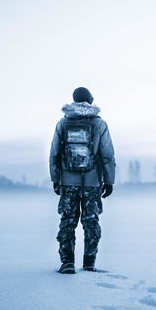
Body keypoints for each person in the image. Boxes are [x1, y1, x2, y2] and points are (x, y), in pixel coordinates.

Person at [49, 87, 116, 274]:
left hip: (68, 181)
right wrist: (109, 180)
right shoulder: (99, 124)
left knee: (68, 221)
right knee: (91, 222)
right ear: (90, 100)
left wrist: (56, 178)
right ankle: (89, 263)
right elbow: (107, 155)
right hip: (92, 182)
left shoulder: (63, 123)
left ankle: (67, 262)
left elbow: (54, 154)